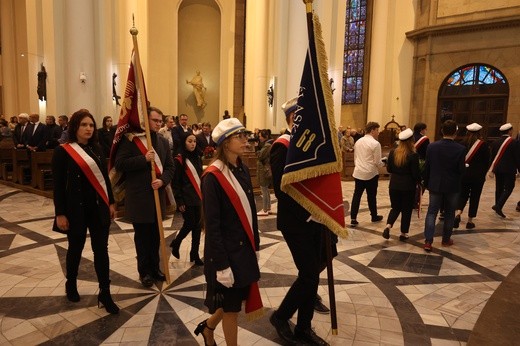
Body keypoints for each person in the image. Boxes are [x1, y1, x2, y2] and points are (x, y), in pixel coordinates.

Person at [194, 118, 262, 346]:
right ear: (225, 143)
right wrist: (221, 265)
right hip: (225, 254)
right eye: (239, 136)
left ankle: (208, 327)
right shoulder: (213, 177)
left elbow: (250, 211)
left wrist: (257, 244)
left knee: (234, 300)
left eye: (245, 135)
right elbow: (211, 226)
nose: (246, 140)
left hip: (243, 249)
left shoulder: (241, 167)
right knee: (232, 309)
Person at [269, 97, 330, 345]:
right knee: (308, 275)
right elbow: (280, 187)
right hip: (296, 221)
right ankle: (281, 316)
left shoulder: (311, 144)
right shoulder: (282, 146)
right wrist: (308, 212)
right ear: (293, 118)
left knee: (312, 274)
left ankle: (303, 328)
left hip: (316, 219)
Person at [51, 109, 119, 314]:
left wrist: (111, 202)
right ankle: (71, 283)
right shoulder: (62, 151)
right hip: (75, 210)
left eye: (91, 125)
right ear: (74, 127)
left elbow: (105, 179)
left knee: (101, 250)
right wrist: (60, 213)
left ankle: (105, 293)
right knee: (75, 248)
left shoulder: (96, 148)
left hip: (98, 208)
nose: (88, 128)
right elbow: (58, 185)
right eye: (83, 125)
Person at [114, 106, 175, 287]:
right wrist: (144, 159)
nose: (158, 124)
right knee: (142, 237)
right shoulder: (132, 140)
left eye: (160, 121)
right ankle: (144, 272)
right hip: (139, 197)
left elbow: (171, 167)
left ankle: (155, 269)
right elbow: (120, 164)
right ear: (145, 120)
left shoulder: (163, 142)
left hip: (157, 196)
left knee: (155, 236)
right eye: (155, 120)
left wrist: (163, 181)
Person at [423, 120, 465, 252]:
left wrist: (426, 182)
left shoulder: (432, 147)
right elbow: (461, 170)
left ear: (442, 131)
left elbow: (427, 167)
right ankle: (446, 239)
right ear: (455, 132)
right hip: (452, 185)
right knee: (450, 213)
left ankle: (428, 241)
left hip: (435, 184)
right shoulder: (461, 149)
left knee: (431, 212)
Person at [170, 132, 204, 266]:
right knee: (190, 223)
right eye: (190, 141)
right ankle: (176, 242)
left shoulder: (197, 157)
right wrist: (179, 201)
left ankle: (194, 254)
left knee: (197, 226)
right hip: (186, 198)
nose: (193, 144)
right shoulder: (179, 159)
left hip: (198, 197)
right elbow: (176, 183)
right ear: (184, 142)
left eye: (194, 141)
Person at [382, 128, 421, 241]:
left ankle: (388, 226)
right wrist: (420, 180)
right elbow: (415, 174)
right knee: (406, 210)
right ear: (411, 141)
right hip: (408, 187)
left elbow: (389, 169)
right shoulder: (413, 155)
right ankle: (403, 233)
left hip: (394, 185)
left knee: (395, 207)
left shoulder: (393, 152)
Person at [454, 123, 490, 229]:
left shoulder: (462, 143)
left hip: (464, 175)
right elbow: (487, 161)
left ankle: (458, 214)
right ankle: (470, 221)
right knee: (475, 197)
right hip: (478, 177)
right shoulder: (483, 145)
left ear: (467, 132)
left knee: (462, 195)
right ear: (479, 133)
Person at [350, 121, 385, 227]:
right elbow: (377, 162)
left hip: (358, 172)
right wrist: (385, 163)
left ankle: (353, 218)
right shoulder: (375, 144)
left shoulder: (358, 141)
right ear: (373, 130)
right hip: (371, 173)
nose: (378, 133)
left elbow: (356, 157)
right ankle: (374, 216)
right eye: (377, 130)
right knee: (371, 196)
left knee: (357, 195)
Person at [489, 123, 520, 218]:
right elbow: (517, 157)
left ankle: (498, 205)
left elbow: (493, 157)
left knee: (499, 187)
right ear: (509, 131)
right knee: (509, 187)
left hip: (498, 169)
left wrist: (492, 169)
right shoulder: (514, 142)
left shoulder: (495, 142)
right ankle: (498, 205)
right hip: (509, 170)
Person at [256, 129, 273, 216]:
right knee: (266, 189)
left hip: (264, 170)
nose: (259, 138)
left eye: (260, 136)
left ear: (265, 136)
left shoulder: (267, 145)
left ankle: (265, 209)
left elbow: (260, 156)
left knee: (264, 189)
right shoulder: (268, 144)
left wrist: (257, 149)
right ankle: (268, 207)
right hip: (264, 169)